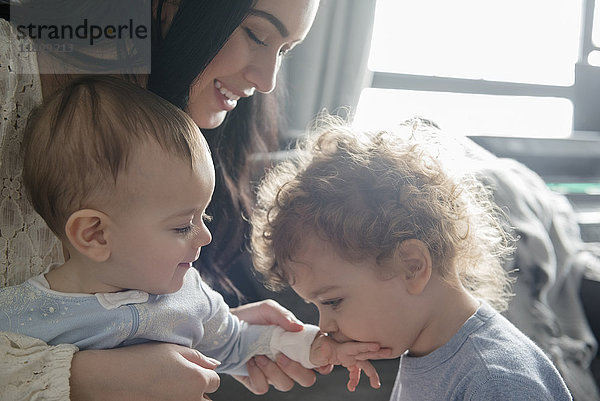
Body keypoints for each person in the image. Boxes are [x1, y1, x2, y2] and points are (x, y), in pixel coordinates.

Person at [0, 0, 324, 399]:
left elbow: (213, 334)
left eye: (285, 50)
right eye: (257, 34)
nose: (268, 80)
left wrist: (216, 331)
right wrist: (93, 377)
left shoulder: (154, 133)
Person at [1, 76, 388, 394]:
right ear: (95, 234)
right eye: (182, 225)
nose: (204, 237)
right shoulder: (21, 314)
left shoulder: (191, 295)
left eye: (203, 216)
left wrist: (312, 345)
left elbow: (238, 342)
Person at [250, 115, 574, 400]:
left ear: (412, 266)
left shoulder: (496, 382)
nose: (325, 327)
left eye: (333, 302)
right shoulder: (428, 350)